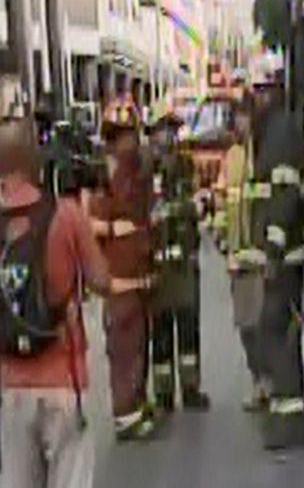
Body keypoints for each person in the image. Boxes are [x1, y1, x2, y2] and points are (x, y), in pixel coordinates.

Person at [0, 116, 151, 488]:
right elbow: (100, 280)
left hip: (10, 383)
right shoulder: (65, 215)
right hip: (62, 377)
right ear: (34, 159)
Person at [240, 71, 304, 449]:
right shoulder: (274, 132)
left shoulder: (280, 135)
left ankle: (290, 423)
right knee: (279, 329)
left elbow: (283, 196)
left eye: (260, 93)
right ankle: (287, 418)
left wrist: (272, 250)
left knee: (276, 330)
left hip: (283, 257)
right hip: (284, 254)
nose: (256, 100)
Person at [90, 97, 158, 441]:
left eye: (130, 135)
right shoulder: (105, 179)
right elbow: (92, 226)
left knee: (137, 349)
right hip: (119, 285)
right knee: (124, 351)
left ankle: (136, 403)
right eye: (121, 137)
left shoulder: (138, 176)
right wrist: (116, 229)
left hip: (139, 281)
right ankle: (126, 417)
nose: (128, 143)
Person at [147, 111, 209, 412]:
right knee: (159, 332)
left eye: (173, 132)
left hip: (184, 261)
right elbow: (147, 212)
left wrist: (178, 209)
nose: (169, 138)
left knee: (188, 327)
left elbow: (197, 204)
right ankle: (162, 393)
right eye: (163, 131)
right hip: (156, 263)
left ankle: (190, 387)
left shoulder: (185, 165)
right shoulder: (147, 169)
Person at [215, 98, 269, 411]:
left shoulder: (262, 156)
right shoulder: (232, 158)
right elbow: (223, 202)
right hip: (238, 258)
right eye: (237, 118)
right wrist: (221, 238)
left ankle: (269, 382)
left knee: (264, 324)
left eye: (245, 117)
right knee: (246, 326)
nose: (241, 123)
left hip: (260, 258)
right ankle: (257, 381)